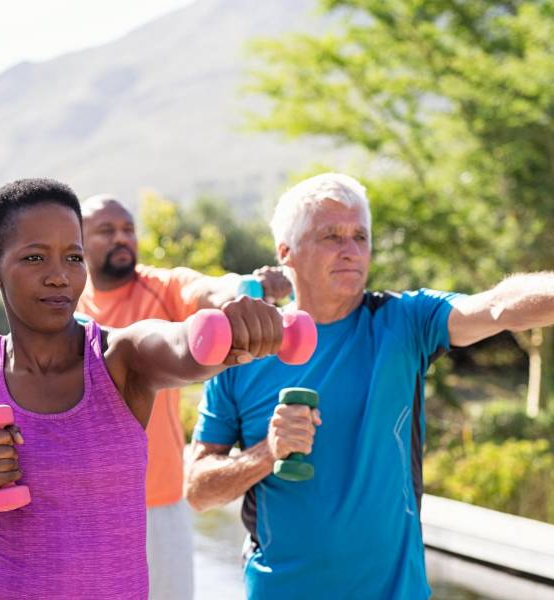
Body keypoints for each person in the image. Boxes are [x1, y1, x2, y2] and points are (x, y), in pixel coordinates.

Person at [184, 172, 554, 599]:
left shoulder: (405, 321)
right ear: (286, 253)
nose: (351, 251)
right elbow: (197, 490)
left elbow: (498, 307)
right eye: (332, 236)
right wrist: (268, 452)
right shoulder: (243, 352)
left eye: (360, 236)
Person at [0, 178, 285, 600]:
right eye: (35, 257)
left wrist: (232, 332)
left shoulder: (120, 359)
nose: (59, 277)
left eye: (73, 257)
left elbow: (181, 348)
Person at [77, 194, 292, 600]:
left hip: (158, 502)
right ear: (80, 241)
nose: (122, 238)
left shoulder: (163, 287)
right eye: (107, 231)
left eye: (128, 229)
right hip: (82, 506)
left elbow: (211, 289)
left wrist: (251, 287)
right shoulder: (66, 302)